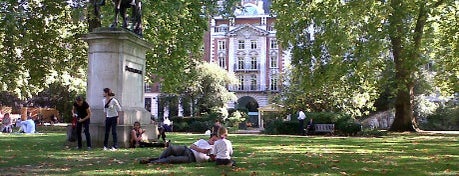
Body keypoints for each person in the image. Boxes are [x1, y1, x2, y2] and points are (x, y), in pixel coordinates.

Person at [139, 133, 219, 164]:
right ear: (210, 138)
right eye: (213, 140)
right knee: (171, 148)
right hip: (187, 150)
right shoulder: (202, 141)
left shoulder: (215, 149)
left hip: (191, 158)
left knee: (171, 159)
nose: (214, 142)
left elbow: (213, 159)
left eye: (216, 141)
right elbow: (192, 146)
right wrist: (202, 150)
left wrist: (211, 155)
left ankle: (152, 162)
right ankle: (155, 160)